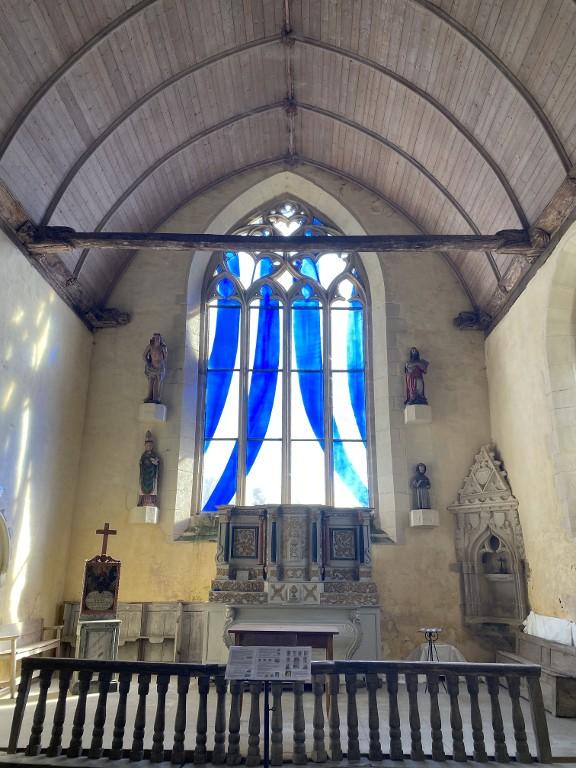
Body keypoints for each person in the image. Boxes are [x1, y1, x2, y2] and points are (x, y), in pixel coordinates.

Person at [143, 333, 167, 403]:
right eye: (156, 338)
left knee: (157, 382)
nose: (157, 340)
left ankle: (156, 398)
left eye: (158, 338)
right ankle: (149, 396)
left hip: (159, 368)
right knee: (151, 381)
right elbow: (144, 355)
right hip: (152, 367)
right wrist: (148, 363)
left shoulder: (162, 347)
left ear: (160, 339)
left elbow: (165, 357)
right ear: (153, 339)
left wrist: (160, 362)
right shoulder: (150, 346)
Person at [138, 431, 160, 506]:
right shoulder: (143, 455)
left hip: (151, 475)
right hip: (144, 475)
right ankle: (142, 501)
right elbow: (141, 463)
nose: (149, 447)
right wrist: (141, 463)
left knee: (153, 486)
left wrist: (155, 462)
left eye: (150, 445)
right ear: (145, 446)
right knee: (142, 486)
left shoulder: (154, 454)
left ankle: (152, 501)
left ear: (152, 446)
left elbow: (157, 463)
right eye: (147, 445)